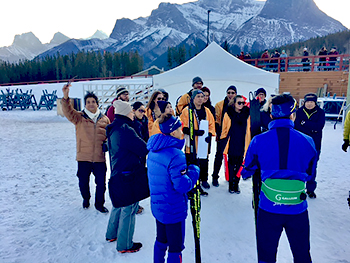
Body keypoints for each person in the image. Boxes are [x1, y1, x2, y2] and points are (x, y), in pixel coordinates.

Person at [242, 94, 317, 263]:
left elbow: (246, 171)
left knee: (266, 257)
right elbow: (311, 174)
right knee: (302, 255)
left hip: (269, 207)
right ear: (293, 115)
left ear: (271, 115)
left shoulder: (258, 141)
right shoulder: (308, 141)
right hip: (297, 208)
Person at [147, 114, 200, 263]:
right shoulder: (175, 155)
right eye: (179, 128)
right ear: (172, 132)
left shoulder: (153, 151)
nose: (181, 131)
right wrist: (194, 171)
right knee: (175, 248)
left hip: (159, 207)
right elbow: (182, 186)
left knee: (161, 240)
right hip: (173, 209)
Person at [105, 100, 150, 253]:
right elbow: (143, 148)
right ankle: (125, 244)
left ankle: (111, 234)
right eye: (131, 111)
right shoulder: (126, 129)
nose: (133, 113)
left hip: (118, 172)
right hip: (128, 174)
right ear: (125, 113)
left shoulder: (114, 128)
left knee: (118, 204)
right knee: (129, 208)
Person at [61, 84, 110, 213]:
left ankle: (99, 204)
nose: (91, 104)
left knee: (101, 184)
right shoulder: (79, 117)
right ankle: (86, 198)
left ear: (97, 103)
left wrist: (107, 144)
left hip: (99, 158)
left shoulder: (105, 119)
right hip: (83, 157)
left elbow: (110, 136)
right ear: (85, 104)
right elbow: (67, 111)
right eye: (88, 102)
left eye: (93, 101)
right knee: (83, 182)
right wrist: (66, 96)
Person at [180, 90, 216, 195]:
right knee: (191, 164)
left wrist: (209, 134)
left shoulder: (207, 111)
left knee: (203, 163)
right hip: (191, 142)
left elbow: (211, 124)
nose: (200, 98)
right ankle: (191, 186)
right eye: (198, 96)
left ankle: (201, 182)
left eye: (202, 96)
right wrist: (194, 132)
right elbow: (182, 126)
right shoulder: (187, 111)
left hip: (203, 143)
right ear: (193, 98)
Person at [294, 93, 325, 199]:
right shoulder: (298, 112)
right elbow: (296, 125)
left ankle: (310, 189)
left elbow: (319, 126)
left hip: (315, 145)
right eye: (308, 102)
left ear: (315, 103)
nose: (309, 104)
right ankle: (299, 188)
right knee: (300, 166)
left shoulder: (320, 113)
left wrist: (305, 123)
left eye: (312, 102)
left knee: (312, 167)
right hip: (301, 144)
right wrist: (311, 127)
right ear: (304, 102)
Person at [220, 95, 250, 193]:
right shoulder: (229, 113)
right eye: (239, 103)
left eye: (243, 103)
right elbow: (224, 129)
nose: (241, 105)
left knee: (240, 165)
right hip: (232, 142)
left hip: (242, 143)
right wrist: (222, 140)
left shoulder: (247, 114)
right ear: (234, 103)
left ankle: (236, 184)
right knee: (231, 165)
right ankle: (231, 184)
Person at [211, 86, 237, 186]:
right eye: (229, 92)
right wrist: (218, 134)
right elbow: (217, 121)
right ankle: (215, 176)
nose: (230, 95)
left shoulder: (238, 104)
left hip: (234, 135)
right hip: (223, 135)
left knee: (233, 157)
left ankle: (231, 177)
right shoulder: (220, 105)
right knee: (219, 156)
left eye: (233, 93)